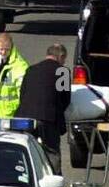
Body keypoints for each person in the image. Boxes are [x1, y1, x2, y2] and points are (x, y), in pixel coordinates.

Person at [16, 44, 71, 173]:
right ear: (61, 56)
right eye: (64, 59)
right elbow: (64, 100)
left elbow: (23, 94)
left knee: (26, 150)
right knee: (52, 152)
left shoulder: (31, 69)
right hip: (48, 117)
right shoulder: (62, 72)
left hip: (25, 117)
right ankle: (55, 183)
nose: (63, 62)